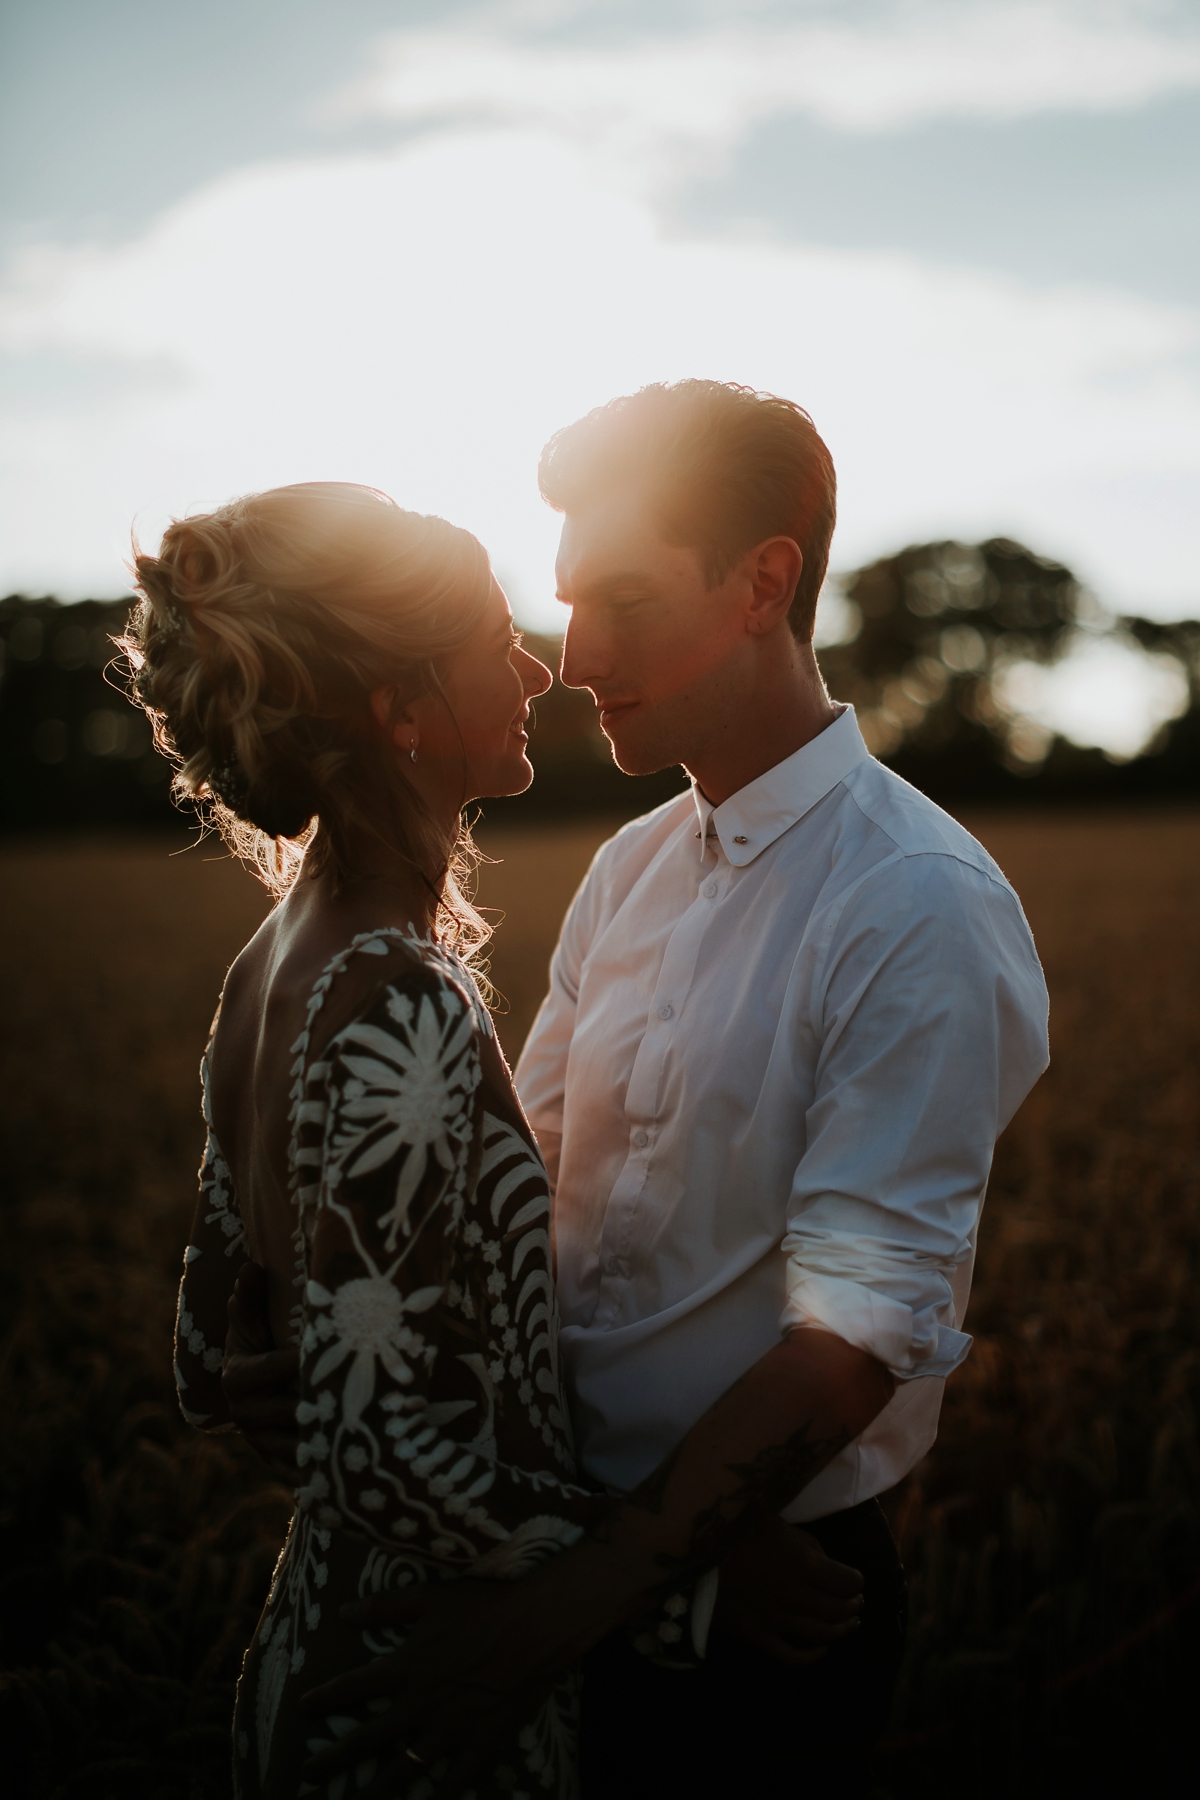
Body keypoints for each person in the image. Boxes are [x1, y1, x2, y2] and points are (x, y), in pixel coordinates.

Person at [204, 380, 1052, 1799]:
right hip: (598, 1554)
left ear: (762, 582)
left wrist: (606, 1586)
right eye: (562, 605)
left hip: (764, 1623)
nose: (575, 652)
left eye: (624, 602)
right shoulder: (630, 868)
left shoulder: (916, 905)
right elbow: (518, 1232)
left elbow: (859, 1331)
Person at [126, 483, 609, 1799]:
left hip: (320, 1659)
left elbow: (210, 1353)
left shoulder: (268, 965)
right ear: (398, 702)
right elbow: (372, 1443)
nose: (533, 669)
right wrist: (661, 1571)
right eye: (492, 642)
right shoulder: (392, 988)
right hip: (425, 1699)